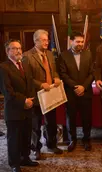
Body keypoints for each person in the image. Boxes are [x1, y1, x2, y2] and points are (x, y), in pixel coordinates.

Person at [23, 29, 63, 160]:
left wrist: (56, 77)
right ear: (36, 41)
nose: (47, 42)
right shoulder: (27, 56)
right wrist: (40, 84)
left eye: (47, 40)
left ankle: (51, 144)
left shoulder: (50, 54)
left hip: (51, 95)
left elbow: (54, 71)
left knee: (51, 122)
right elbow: (27, 77)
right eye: (44, 40)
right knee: (35, 125)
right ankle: (36, 149)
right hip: (37, 96)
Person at [0, 39, 39, 172]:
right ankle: (15, 163)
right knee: (14, 139)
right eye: (14, 48)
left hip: (28, 108)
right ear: (7, 51)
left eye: (20, 48)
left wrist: (31, 100)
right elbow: (7, 91)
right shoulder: (3, 67)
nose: (18, 51)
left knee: (26, 136)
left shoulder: (24, 64)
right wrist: (24, 101)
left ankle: (25, 158)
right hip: (14, 110)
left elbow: (31, 84)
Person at [59, 32, 94, 152]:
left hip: (86, 92)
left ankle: (86, 140)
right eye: (77, 41)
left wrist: (83, 87)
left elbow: (92, 73)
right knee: (71, 117)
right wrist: (75, 87)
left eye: (82, 42)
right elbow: (63, 74)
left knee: (86, 118)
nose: (80, 44)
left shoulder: (88, 54)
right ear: (71, 41)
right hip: (71, 92)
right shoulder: (63, 55)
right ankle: (72, 140)